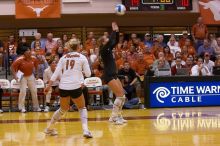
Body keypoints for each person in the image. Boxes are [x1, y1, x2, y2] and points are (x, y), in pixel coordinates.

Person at [44, 38, 92, 138]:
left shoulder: (63, 57)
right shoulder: (82, 57)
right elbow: (88, 74)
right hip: (75, 86)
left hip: (63, 86)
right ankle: (86, 130)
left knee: (63, 109)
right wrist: (80, 72)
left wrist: (48, 86)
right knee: (82, 108)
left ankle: (49, 128)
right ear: (78, 47)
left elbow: (56, 74)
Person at [99, 22, 127, 125]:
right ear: (103, 42)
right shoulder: (103, 50)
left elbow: (113, 42)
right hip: (108, 75)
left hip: (113, 74)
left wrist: (117, 31)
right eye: (105, 39)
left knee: (122, 96)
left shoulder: (108, 49)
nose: (108, 39)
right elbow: (112, 40)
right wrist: (114, 31)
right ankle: (114, 118)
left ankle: (118, 116)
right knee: (119, 96)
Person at [11, 46, 41, 113]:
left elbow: (37, 66)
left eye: (30, 52)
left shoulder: (34, 58)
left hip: (31, 75)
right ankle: (21, 108)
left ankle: (36, 107)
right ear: (24, 53)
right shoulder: (19, 59)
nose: (30, 53)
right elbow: (12, 67)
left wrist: (37, 74)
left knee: (34, 91)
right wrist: (15, 76)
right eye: (28, 52)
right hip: (22, 76)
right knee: (23, 92)